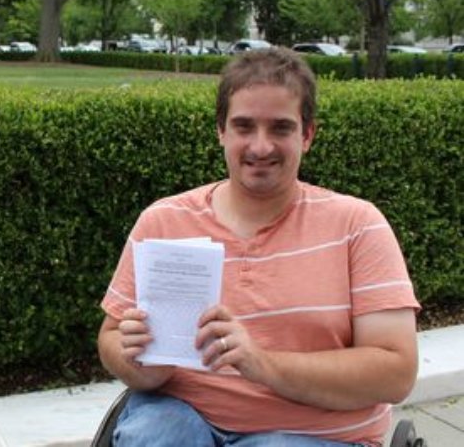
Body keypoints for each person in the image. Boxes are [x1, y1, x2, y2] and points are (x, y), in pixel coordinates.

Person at [97, 48, 419, 446]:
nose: (261, 147)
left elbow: (395, 373)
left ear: (308, 134)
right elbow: (111, 337)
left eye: (280, 128)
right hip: (182, 415)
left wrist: (260, 363)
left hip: (308, 434)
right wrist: (139, 361)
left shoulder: (356, 226)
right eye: (244, 126)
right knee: (159, 433)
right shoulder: (164, 221)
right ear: (221, 131)